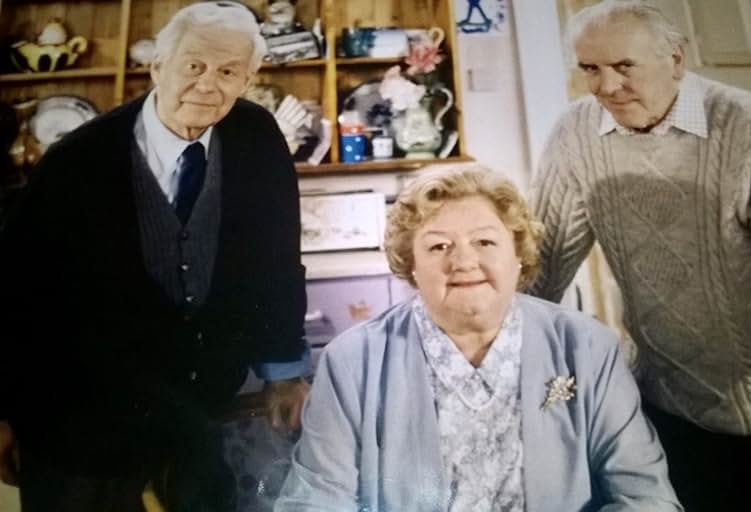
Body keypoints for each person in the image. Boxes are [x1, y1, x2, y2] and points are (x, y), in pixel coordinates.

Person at [0, 2, 310, 510]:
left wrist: (284, 373)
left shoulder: (256, 139)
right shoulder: (76, 160)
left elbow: (276, 260)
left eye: (229, 71)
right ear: (157, 68)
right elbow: (16, 291)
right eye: (194, 65)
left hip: (200, 405)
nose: (209, 85)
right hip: (81, 412)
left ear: (249, 78)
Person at [528, 1, 751, 511]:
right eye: (590, 69)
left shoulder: (749, 128)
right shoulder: (575, 133)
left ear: (677, 60)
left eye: (624, 67)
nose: (606, 87)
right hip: (657, 408)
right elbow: (539, 267)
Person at [275, 166, 681, 511]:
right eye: (438, 246)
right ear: (410, 263)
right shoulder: (352, 360)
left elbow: (645, 495)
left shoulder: (588, 346)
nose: (463, 261)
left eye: (485, 241)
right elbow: (316, 499)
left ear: (518, 252)